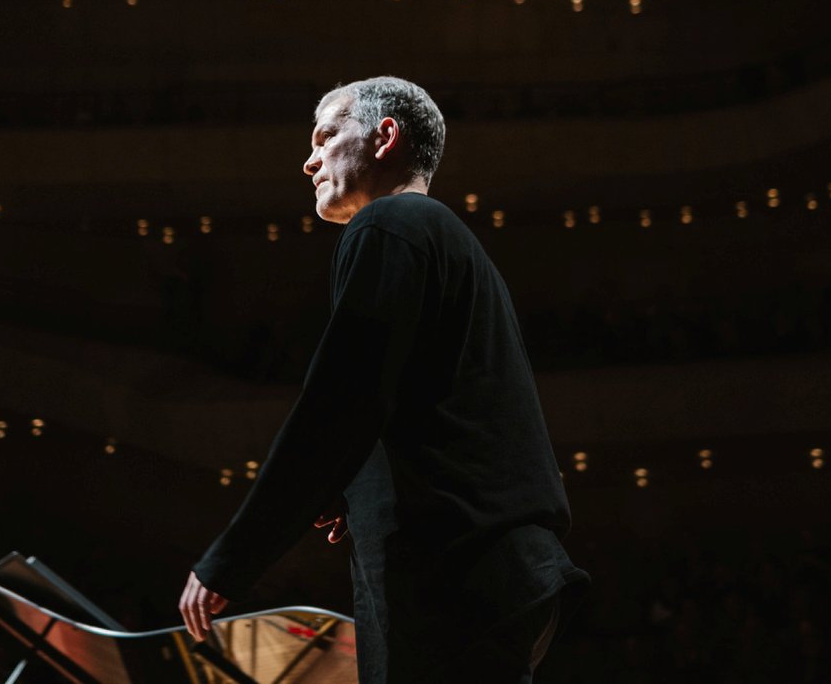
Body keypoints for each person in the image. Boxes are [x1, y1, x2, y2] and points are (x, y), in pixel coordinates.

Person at [179, 76, 588, 683]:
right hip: (500, 570)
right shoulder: (444, 239)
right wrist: (353, 483)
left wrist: (232, 560)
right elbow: (424, 403)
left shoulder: (388, 224)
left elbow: (340, 401)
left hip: (451, 570)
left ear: (384, 137)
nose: (309, 159)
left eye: (327, 135)